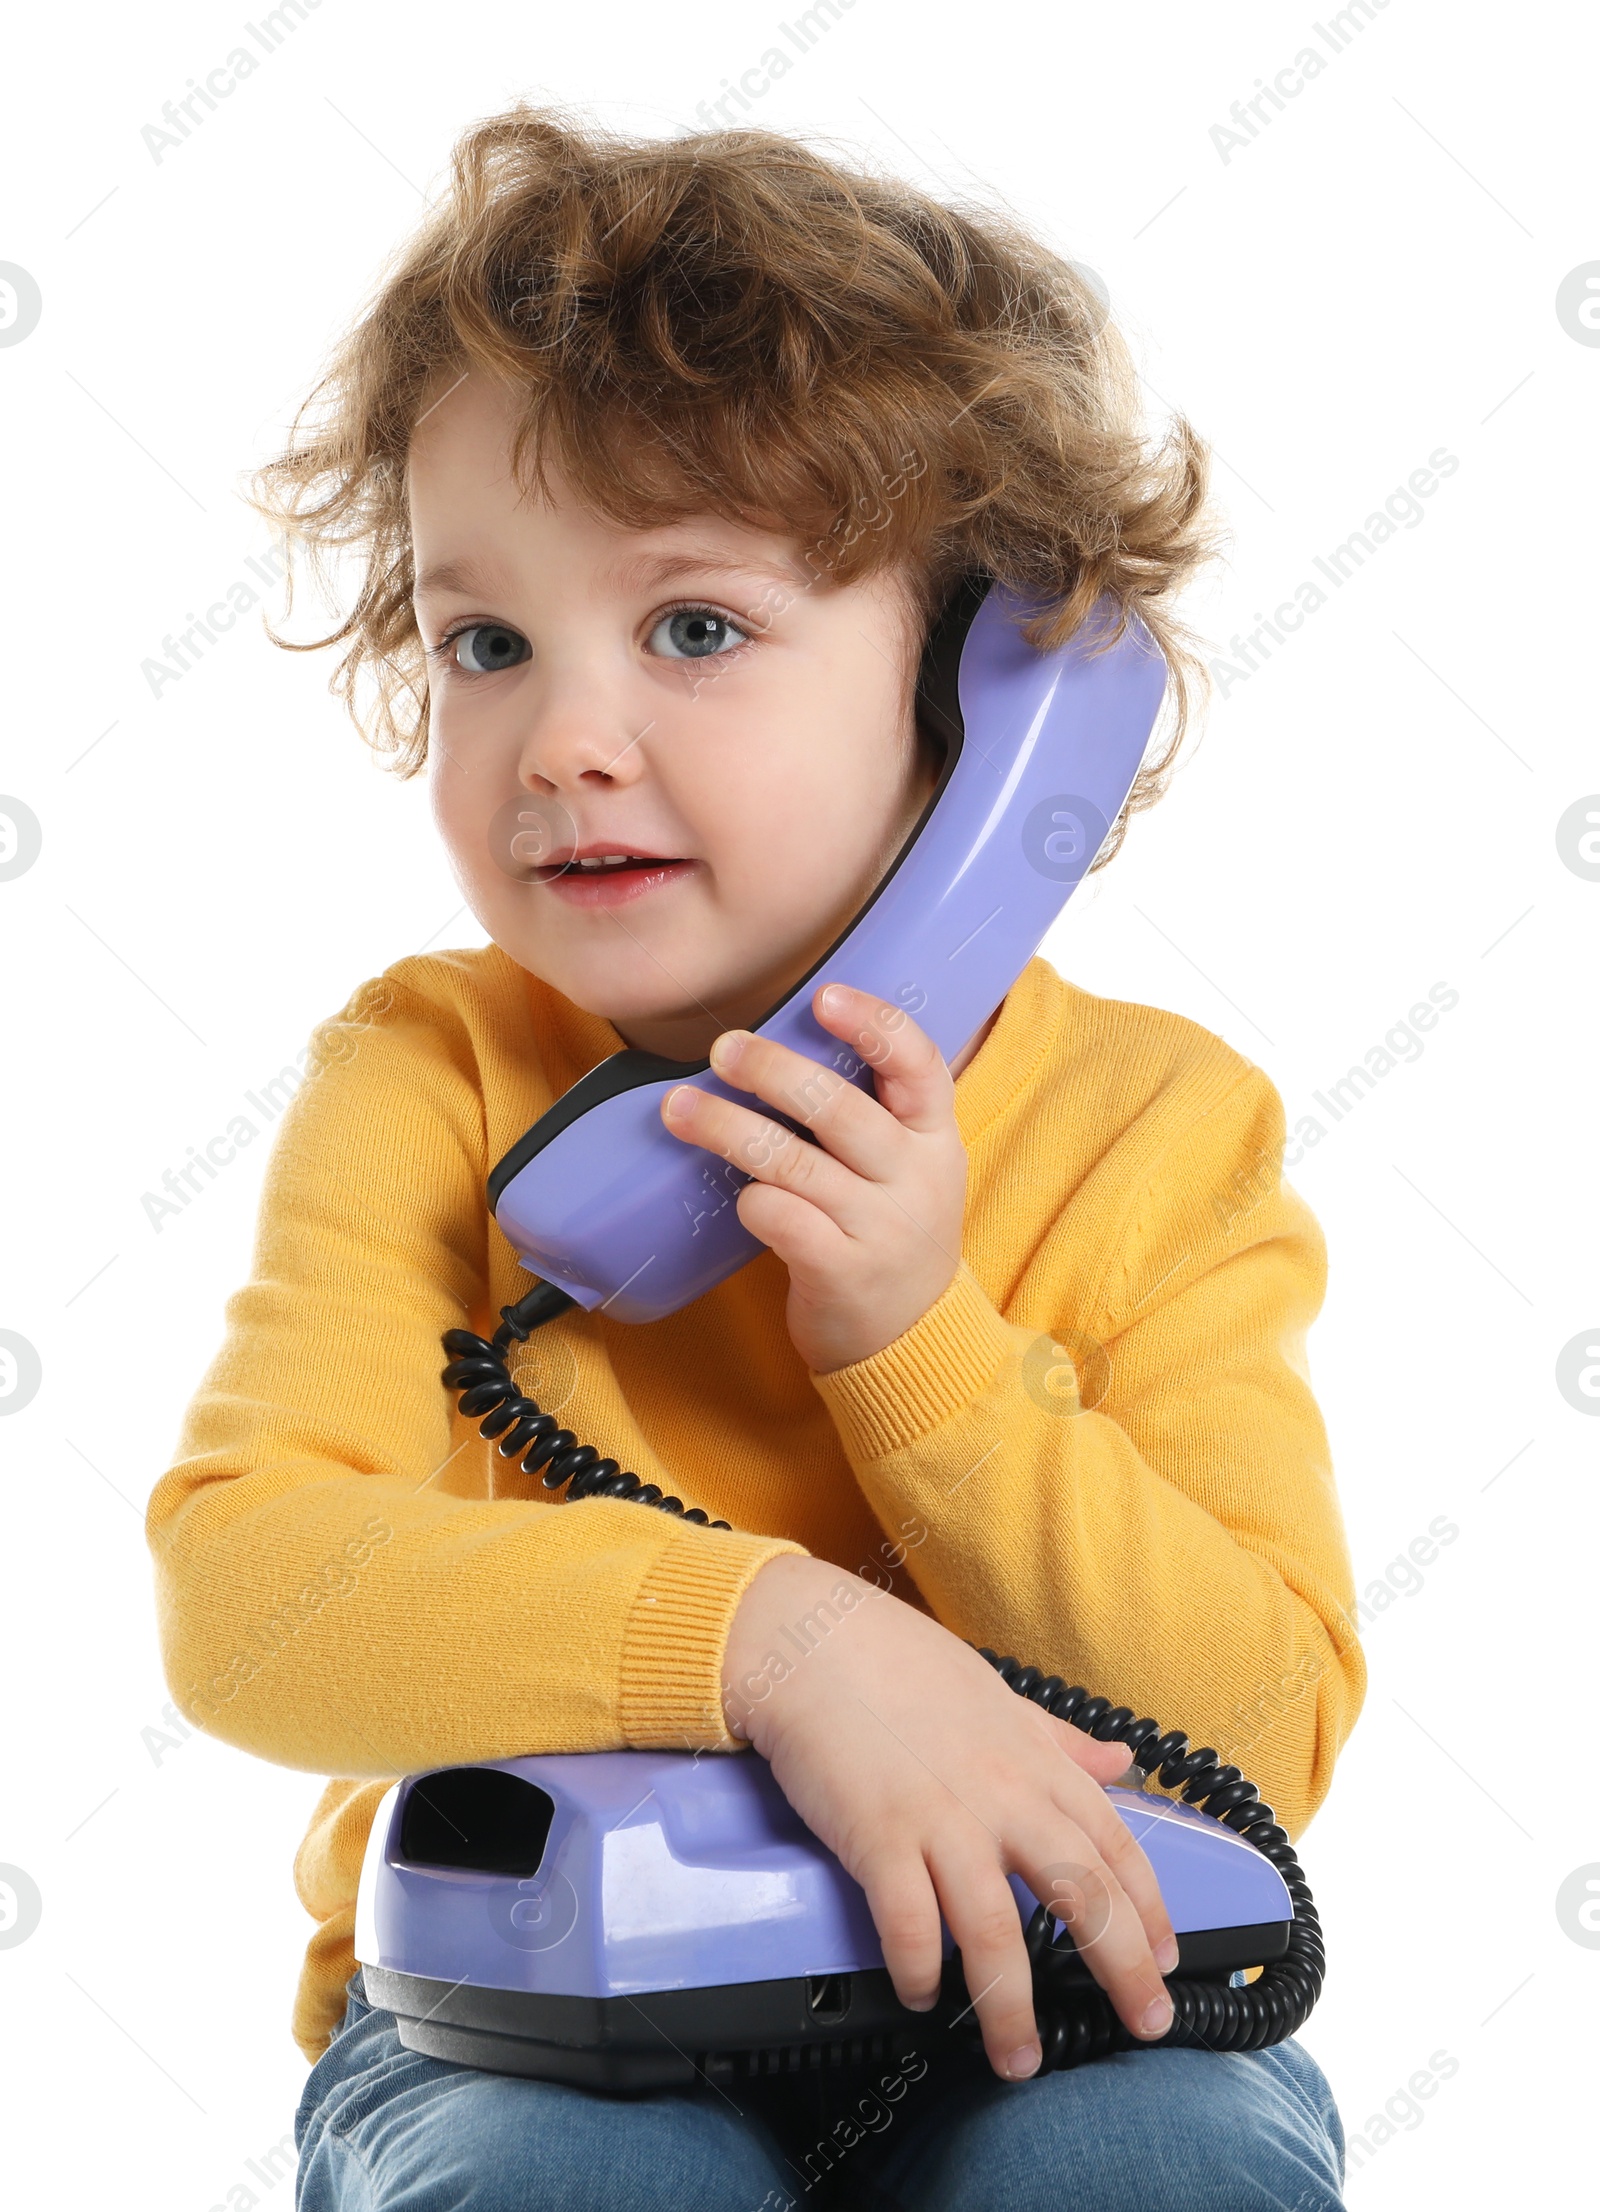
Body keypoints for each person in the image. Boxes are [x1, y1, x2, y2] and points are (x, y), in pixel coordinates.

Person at [145, 102, 1364, 2212]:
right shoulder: (428, 1078)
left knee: (1151, 2165)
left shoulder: (1159, 1127)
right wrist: (777, 1640)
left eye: (693, 627)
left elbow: (1251, 1732)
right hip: (539, 2030)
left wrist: (916, 1340)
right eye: (483, 640)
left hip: (1058, 1992)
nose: (563, 740)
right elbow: (248, 1607)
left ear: (991, 700)